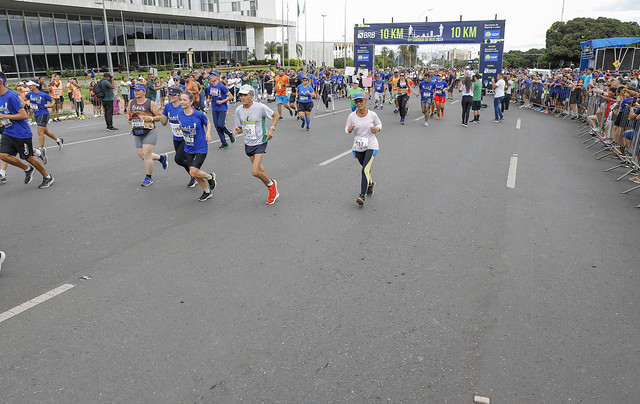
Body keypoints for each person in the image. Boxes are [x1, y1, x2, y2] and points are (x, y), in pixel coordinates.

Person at [0, 71, 54, 188]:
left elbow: (24, 115)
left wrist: (5, 116)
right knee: (3, 155)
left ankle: (47, 177)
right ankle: (27, 169)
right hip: (8, 132)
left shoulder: (11, 96)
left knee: (28, 157)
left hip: (21, 133)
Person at [233, 84, 279, 204]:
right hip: (248, 143)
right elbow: (241, 128)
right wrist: (237, 130)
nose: (242, 97)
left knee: (255, 171)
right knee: (260, 170)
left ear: (252, 96)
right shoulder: (238, 110)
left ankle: (271, 185)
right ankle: (271, 186)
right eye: (241, 95)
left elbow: (276, 115)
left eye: (245, 95)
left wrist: (271, 129)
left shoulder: (260, 107)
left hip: (260, 141)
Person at [176, 91, 216, 201]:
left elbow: (207, 123)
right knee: (195, 173)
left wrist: (208, 133)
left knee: (193, 171)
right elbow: (183, 123)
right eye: (181, 100)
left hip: (200, 147)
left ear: (191, 102)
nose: (182, 102)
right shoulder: (180, 113)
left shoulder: (198, 114)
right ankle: (207, 191)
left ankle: (210, 177)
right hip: (188, 147)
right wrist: (180, 127)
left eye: (184, 100)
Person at [126, 83, 168, 186]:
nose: (136, 92)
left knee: (147, 155)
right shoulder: (131, 102)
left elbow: (160, 117)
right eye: (134, 90)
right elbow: (128, 113)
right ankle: (161, 158)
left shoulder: (150, 103)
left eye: (138, 90)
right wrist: (128, 118)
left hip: (149, 132)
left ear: (144, 92)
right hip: (137, 132)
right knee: (142, 155)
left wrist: (151, 118)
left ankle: (148, 177)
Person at [345, 92, 382, 206]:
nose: (359, 103)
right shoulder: (352, 116)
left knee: (364, 170)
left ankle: (362, 196)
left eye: (361, 101)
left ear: (365, 101)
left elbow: (379, 124)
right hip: (359, 146)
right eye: (357, 101)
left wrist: (377, 129)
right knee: (365, 169)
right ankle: (370, 184)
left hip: (371, 145)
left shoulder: (372, 114)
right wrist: (349, 130)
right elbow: (346, 129)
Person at [160, 87, 195, 187]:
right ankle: (194, 175)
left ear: (179, 95)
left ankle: (196, 173)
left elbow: (192, 119)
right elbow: (163, 123)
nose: (171, 96)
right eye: (169, 94)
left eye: (173, 94)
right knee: (184, 160)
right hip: (176, 138)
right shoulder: (168, 107)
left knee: (179, 159)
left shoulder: (183, 106)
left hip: (186, 137)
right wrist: (160, 114)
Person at [25, 81, 64, 151]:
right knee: (45, 131)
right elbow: (22, 99)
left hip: (43, 114)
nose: (29, 87)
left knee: (40, 132)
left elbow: (52, 100)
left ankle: (41, 149)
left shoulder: (43, 94)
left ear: (35, 86)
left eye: (30, 85)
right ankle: (58, 140)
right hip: (36, 114)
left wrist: (51, 105)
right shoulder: (30, 94)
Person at [206, 71, 236, 150]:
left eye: (213, 75)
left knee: (220, 125)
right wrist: (208, 100)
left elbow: (230, 96)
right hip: (214, 109)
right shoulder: (210, 87)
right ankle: (224, 143)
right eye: (211, 75)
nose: (211, 77)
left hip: (222, 108)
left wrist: (221, 101)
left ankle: (230, 134)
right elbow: (209, 97)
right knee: (217, 127)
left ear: (217, 77)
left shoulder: (221, 86)